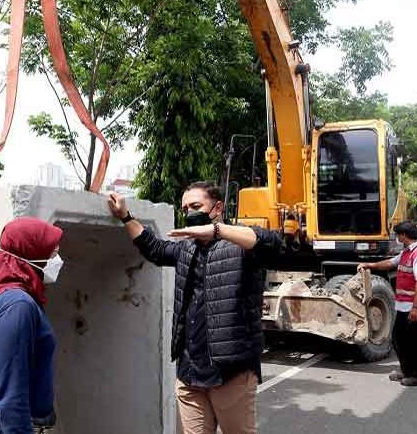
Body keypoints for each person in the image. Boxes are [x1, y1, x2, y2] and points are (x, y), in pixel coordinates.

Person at [107, 182, 285, 434]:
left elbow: (273, 243)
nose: (190, 212)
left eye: (196, 206)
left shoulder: (241, 247)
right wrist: (125, 216)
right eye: (185, 208)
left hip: (230, 373)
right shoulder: (186, 248)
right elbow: (155, 249)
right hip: (189, 372)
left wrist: (217, 231)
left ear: (218, 207)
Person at [0, 217, 64, 434]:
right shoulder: (18, 306)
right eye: (52, 252)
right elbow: (11, 396)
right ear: (32, 254)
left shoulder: (12, 297)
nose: (57, 259)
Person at [358, 220, 417, 387]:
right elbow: (390, 263)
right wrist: (370, 265)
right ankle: (407, 370)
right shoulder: (407, 252)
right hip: (404, 304)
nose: (397, 237)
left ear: (404, 236)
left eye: (398, 234)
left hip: (416, 306)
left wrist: (416, 307)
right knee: (400, 339)